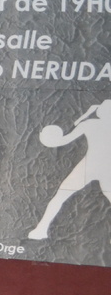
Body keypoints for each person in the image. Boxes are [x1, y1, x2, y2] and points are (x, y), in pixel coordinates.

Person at [28, 99, 111, 240]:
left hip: (89, 166)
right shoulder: (91, 124)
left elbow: (63, 140)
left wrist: (46, 137)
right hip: (106, 167)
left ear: (100, 111)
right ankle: (40, 229)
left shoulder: (89, 123)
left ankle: (41, 229)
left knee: (60, 196)